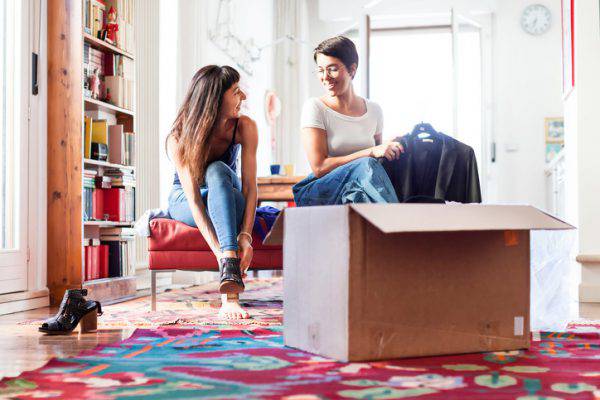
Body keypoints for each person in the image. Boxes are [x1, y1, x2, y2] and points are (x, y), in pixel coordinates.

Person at [166, 65, 258, 319]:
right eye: (236, 92)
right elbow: (195, 201)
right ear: (215, 98)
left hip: (226, 191)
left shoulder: (244, 126)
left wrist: (246, 237)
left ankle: (230, 277)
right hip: (186, 198)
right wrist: (221, 254)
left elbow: (250, 188)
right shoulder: (178, 136)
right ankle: (230, 290)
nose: (243, 97)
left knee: (217, 170)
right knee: (218, 195)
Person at [293, 36, 402, 206]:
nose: (325, 77)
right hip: (319, 190)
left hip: (356, 189)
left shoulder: (374, 110)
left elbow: (377, 164)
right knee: (366, 165)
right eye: (320, 70)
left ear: (352, 70)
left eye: (332, 69)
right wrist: (370, 152)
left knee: (360, 194)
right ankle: (395, 219)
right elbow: (319, 167)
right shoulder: (315, 107)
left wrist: (391, 147)